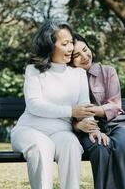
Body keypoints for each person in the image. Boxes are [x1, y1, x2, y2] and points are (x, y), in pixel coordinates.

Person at [11, 20, 96, 189]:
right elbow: (35, 105)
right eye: (65, 44)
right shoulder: (33, 70)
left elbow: (85, 107)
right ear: (50, 46)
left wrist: (91, 127)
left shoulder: (78, 74)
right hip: (30, 130)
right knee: (42, 146)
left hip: (61, 132)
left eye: (71, 42)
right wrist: (71, 111)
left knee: (72, 145)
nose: (71, 48)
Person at [71, 33, 125, 189]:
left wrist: (87, 111)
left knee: (123, 146)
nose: (84, 56)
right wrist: (78, 125)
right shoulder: (68, 80)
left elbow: (115, 106)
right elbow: (68, 117)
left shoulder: (108, 71)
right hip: (88, 131)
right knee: (101, 149)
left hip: (119, 125)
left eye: (85, 49)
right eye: (76, 55)